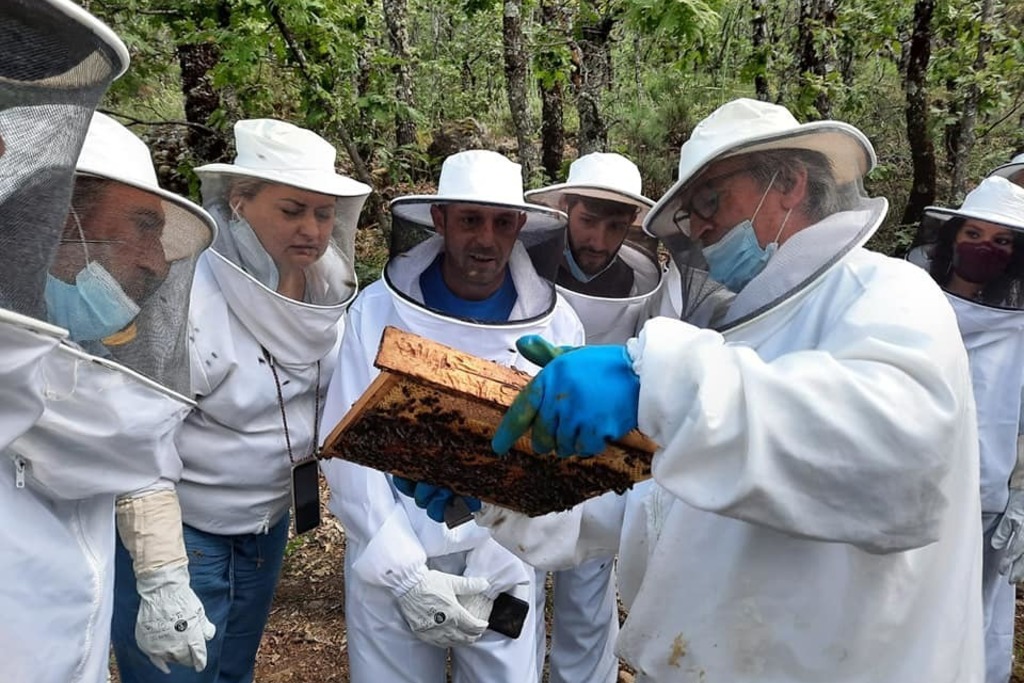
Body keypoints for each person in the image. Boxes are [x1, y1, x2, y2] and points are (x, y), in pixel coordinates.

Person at [404, 99, 984, 682]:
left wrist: (654, 382)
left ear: (788, 184)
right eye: (690, 213)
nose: (699, 227)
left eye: (708, 200)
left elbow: (897, 464)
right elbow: (652, 507)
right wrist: (491, 487)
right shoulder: (739, 333)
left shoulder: (886, 293)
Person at [110, 118, 371, 682]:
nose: (312, 229)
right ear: (238, 204)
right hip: (185, 532)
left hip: (268, 523)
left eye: (324, 213)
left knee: (232, 669)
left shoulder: (322, 285)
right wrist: (161, 574)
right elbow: (137, 438)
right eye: (291, 209)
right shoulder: (185, 298)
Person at [1, 5, 218, 681]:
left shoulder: (86, 349)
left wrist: (162, 574)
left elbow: (121, 441)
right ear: (59, 222)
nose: (158, 262)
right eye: (144, 226)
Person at [319, 149, 584, 683]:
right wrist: (405, 574)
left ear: (520, 226)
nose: (486, 239)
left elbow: (556, 457)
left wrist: (500, 559)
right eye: (469, 219)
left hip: (505, 560)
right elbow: (348, 446)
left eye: (501, 221)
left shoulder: (560, 328)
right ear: (440, 220)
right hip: (390, 551)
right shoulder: (376, 310)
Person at [522, 152, 660, 683]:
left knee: (588, 578)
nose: (599, 239)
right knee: (519, 573)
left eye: (615, 225)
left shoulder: (646, 281)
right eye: (587, 221)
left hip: (607, 445)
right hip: (535, 427)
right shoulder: (528, 264)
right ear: (563, 211)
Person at [908, 175, 1024, 683]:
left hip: (985, 504)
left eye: (1001, 241)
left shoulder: (1020, 325)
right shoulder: (909, 304)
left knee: (974, 629)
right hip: (908, 492)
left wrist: (1021, 494)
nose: (986, 248)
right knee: (903, 621)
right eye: (974, 234)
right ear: (951, 238)